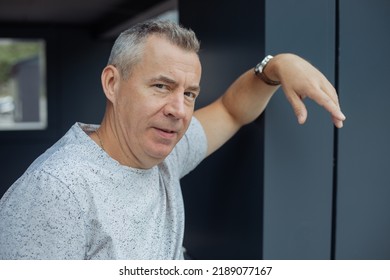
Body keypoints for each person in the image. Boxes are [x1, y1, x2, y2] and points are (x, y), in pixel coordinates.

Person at [0, 19, 345, 260]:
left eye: (190, 93)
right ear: (112, 84)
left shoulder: (164, 152)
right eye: (161, 86)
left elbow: (230, 110)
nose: (179, 110)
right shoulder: (55, 191)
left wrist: (277, 66)